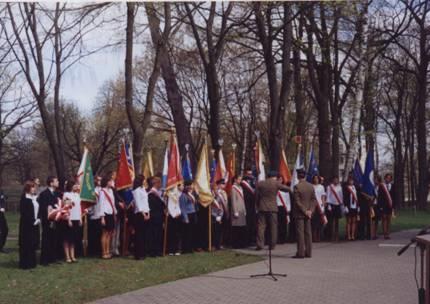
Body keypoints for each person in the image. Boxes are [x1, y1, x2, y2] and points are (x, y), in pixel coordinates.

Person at [255, 170, 291, 250]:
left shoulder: (260, 183)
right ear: (275, 177)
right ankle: (272, 245)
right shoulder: (276, 183)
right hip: (273, 208)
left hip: (262, 207)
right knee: (273, 227)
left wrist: (257, 205)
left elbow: (257, 196)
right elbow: (286, 189)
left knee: (261, 227)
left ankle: (260, 244)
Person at [293, 169, 317, 258]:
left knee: (300, 233)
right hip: (308, 213)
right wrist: (310, 210)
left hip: (300, 213)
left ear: (298, 176)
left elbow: (297, 201)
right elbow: (314, 199)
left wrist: (304, 211)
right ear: (305, 176)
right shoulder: (311, 186)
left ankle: (300, 253)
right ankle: (309, 252)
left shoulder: (297, 187)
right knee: (308, 233)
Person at [37, 176, 61, 265]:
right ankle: (44, 260)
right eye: (56, 181)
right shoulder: (44, 194)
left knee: (54, 238)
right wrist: (50, 212)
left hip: (56, 220)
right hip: (47, 220)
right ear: (51, 183)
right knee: (46, 239)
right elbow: (43, 207)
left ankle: (53, 258)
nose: (58, 182)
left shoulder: (57, 193)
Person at [19, 181, 40, 269]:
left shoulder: (33, 198)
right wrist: (32, 221)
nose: (34, 189)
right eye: (32, 187)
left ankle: (32, 262)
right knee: (26, 243)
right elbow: (24, 213)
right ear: (28, 188)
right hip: (27, 225)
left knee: (33, 242)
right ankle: (26, 263)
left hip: (35, 223)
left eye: (34, 187)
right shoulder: (24, 198)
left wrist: (38, 219)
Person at [61, 180, 82, 263]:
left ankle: (73, 256)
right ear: (71, 186)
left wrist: (80, 218)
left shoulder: (77, 195)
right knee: (67, 238)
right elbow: (66, 208)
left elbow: (79, 208)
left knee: (73, 238)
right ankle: (67, 256)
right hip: (69, 218)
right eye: (75, 185)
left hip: (76, 218)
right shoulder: (66, 194)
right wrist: (68, 219)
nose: (76, 186)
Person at [98, 174, 117, 259]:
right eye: (110, 181)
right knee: (105, 233)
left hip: (111, 213)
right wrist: (102, 217)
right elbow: (101, 204)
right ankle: (104, 252)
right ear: (106, 182)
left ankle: (108, 251)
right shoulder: (102, 191)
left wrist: (114, 212)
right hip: (105, 214)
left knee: (110, 233)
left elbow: (112, 203)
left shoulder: (111, 191)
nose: (112, 182)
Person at [132, 174, 150, 260]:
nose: (145, 181)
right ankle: (138, 254)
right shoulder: (136, 191)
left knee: (144, 234)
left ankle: (143, 252)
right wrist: (143, 214)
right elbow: (138, 204)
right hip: (139, 214)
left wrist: (148, 213)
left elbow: (146, 202)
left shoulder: (143, 190)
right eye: (144, 180)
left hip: (146, 212)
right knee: (139, 234)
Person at [147, 176, 165, 257]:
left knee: (159, 234)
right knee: (153, 234)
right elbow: (153, 206)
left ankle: (158, 250)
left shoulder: (158, 193)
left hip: (159, 217)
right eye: (159, 183)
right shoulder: (151, 194)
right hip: (154, 217)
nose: (160, 185)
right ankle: (152, 251)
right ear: (155, 183)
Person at [179, 180, 198, 253]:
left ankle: (190, 248)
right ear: (185, 186)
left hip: (193, 214)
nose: (190, 187)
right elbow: (182, 208)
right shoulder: (183, 195)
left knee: (191, 232)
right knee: (186, 233)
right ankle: (185, 249)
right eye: (189, 185)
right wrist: (185, 218)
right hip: (187, 215)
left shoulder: (191, 194)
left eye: (191, 185)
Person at [231, 175, 247, 249]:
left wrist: (244, 210)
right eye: (239, 179)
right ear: (235, 180)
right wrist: (235, 211)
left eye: (241, 179)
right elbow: (233, 200)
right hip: (237, 210)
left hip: (241, 210)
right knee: (236, 228)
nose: (240, 181)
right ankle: (236, 244)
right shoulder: (233, 188)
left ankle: (241, 243)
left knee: (242, 228)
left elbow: (242, 200)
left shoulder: (240, 187)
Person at [87, 176, 102, 256]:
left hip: (100, 214)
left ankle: (98, 250)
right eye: (98, 180)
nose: (99, 181)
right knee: (93, 235)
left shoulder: (101, 190)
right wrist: (90, 211)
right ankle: (92, 251)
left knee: (99, 234)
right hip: (94, 215)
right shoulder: (93, 190)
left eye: (100, 180)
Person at [166, 183, 182, 256]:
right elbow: (168, 205)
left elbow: (178, 204)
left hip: (177, 215)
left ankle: (177, 249)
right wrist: (172, 213)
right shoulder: (168, 194)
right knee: (171, 233)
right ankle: (170, 250)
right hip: (171, 216)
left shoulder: (178, 193)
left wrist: (178, 212)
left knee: (177, 233)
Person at [326, 176, 343, 242]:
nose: (336, 180)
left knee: (337, 221)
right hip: (332, 205)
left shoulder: (340, 187)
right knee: (332, 221)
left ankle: (337, 236)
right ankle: (332, 236)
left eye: (337, 179)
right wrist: (329, 204)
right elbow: (328, 196)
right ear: (333, 180)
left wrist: (341, 204)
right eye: (335, 179)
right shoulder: (329, 187)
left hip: (338, 204)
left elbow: (341, 196)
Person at [241, 170, 256, 246]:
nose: (250, 176)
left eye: (251, 174)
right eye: (248, 174)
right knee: (247, 224)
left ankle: (251, 239)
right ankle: (246, 241)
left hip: (252, 206)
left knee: (252, 223)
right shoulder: (243, 183)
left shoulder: (253, 183)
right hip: (246, 205)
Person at [377, 173, 395, 240]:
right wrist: (380, 206)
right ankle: (385, 234)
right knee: (384, 219)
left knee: (389, 219)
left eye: (389, 178)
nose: (388, 179)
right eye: (387, 178)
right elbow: (380, 197)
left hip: (390, 205)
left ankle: (388, 233)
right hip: (383, 205)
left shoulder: (392, 186)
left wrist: (393, 206)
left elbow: (394, 197)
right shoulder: (382, 186)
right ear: (385, 178)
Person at [311, 176, 327, 242]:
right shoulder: (311, 186)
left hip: (320, 206)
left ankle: (319, 237)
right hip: (313, 205)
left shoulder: (321, 187)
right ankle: (313, 237)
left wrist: (323, 204)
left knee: (320, 222)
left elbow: (323, 196)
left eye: (317, 178)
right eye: (314, 178)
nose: (316, 180)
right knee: (313, 222)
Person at [344, 176, 359, 241]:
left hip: (355, 206)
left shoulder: (355, 187)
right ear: (348, 181)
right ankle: (348, 235)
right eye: (350, 180)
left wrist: (358, 206)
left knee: (354, 221)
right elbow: (345, 197)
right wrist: (345, 206)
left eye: (352, 180)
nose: (351, 182)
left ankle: (352, 235)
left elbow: (357, 197)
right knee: (349, 221)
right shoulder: (346, 188)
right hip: (349, 206)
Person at [276, 177, 291, 244]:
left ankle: (283, 239)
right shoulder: (274, 188)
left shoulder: (285, 189)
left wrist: (288, 209)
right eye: (278, 179)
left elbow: (287, 200)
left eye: (281, 180)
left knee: (283, 224)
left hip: (283, 208)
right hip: (276, 207)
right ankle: (277, 238)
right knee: (276, 224)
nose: (280, 181)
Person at [215, 178, 229, 248]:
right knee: (218, 230)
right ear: (219, 185)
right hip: (218, 213)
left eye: (224, 183)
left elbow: (226, 203)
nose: (224, 185)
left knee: (223, 229)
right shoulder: (216, 193)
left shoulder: (224, 192)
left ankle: (222, 243)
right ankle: (217, 244)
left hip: (224, 212)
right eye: (222, 184)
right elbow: (216, 203)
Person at [211, 181, 224, 250]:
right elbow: (210, 208)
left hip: (218, 216)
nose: (216, 190)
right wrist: (215, 216)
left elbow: (221, 207)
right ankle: (212, 245)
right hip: (212, 216)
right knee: (213, 231)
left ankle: (218, 245)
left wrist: (220, 216)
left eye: (216, 189)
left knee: (218, 231)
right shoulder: (210, 197)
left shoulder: (219, 196)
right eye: (214, 189)